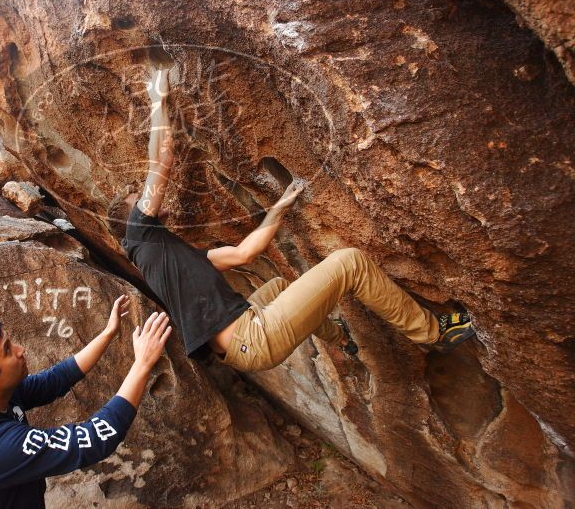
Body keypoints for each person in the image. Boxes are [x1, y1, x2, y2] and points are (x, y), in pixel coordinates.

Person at [106, 67, 475, 373]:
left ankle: (342, 339)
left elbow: (243, 253)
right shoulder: (140, 233)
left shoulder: (166, 257)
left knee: (280, 285)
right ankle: (433, 333)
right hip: (253, 337)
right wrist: (159, 99)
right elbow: (162, 159)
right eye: (133, 200)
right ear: (132, 218)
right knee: (350, 262)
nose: (140, 197)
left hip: (243, 346)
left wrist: (281, 204)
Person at [0, 294, 172, 508]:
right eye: (7, 350)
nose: (20, 349)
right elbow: (96, 438)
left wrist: (109, 332)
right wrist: (143, 363)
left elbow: (55, 380)